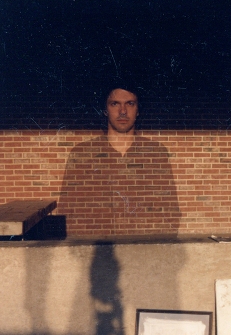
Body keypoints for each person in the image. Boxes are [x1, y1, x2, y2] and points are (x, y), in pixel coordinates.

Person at [58, 85, 181, 235]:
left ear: (138, 110)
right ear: (105, 110)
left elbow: (171, 212)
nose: (123, 111)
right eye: (115, 104)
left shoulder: (156, 153)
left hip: (143, 245)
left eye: (130, 104)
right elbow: (66, 212)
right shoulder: (82, 154)